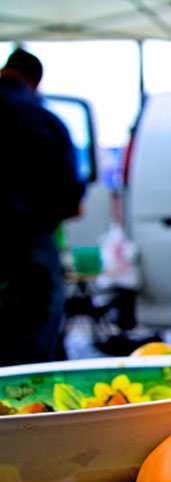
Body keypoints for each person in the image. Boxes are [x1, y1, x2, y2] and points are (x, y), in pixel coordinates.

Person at [0, 48, 84, 365]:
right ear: (35, 81)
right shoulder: (43, 120)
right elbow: (72, 202)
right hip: (28, 251)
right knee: (32, 354)